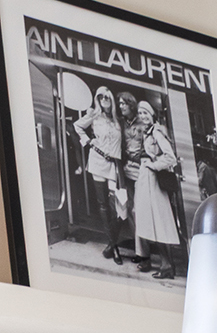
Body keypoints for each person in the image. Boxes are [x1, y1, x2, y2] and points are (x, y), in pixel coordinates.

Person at [129, 98, 185, 278]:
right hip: (146, 181)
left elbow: (170, 157)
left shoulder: (157, 132)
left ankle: (167, 265)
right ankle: (163, 264)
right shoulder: (147, 132)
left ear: (152, 114)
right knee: (150, 222)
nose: (142, 116)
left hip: (153, 182)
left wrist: (153, 165)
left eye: (145, 112)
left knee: (158, 222)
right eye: (140, 113)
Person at [72, 85, 127, 258]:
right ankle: (114, 246)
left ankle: (111, 244)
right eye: (100, 97)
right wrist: (88, 141)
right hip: (97, 162)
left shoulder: (119, 120)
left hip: (114, 165)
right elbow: (77, 126)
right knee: (103, 204)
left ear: (111, 98)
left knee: (120, 207)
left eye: (107, 97)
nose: (104, 100)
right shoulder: (94, 115)